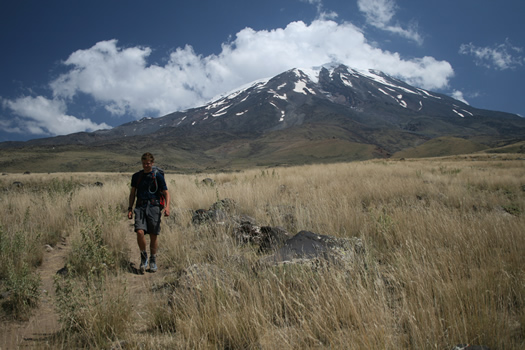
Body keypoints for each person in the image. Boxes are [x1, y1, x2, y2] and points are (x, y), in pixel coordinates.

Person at [127, 152, 170, 273]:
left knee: (153, 234)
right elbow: (132, 193)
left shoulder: (157, 176)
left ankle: (153, 259)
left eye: (148, 163)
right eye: (144, 163)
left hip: (154, 207)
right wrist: (130, 208)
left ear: (152, 163)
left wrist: (167, 207)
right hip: (140, 207)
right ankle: (143, 256)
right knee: (140, 232)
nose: (146, 165)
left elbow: (166, 192)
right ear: (141, 163)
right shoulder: (136, 176)